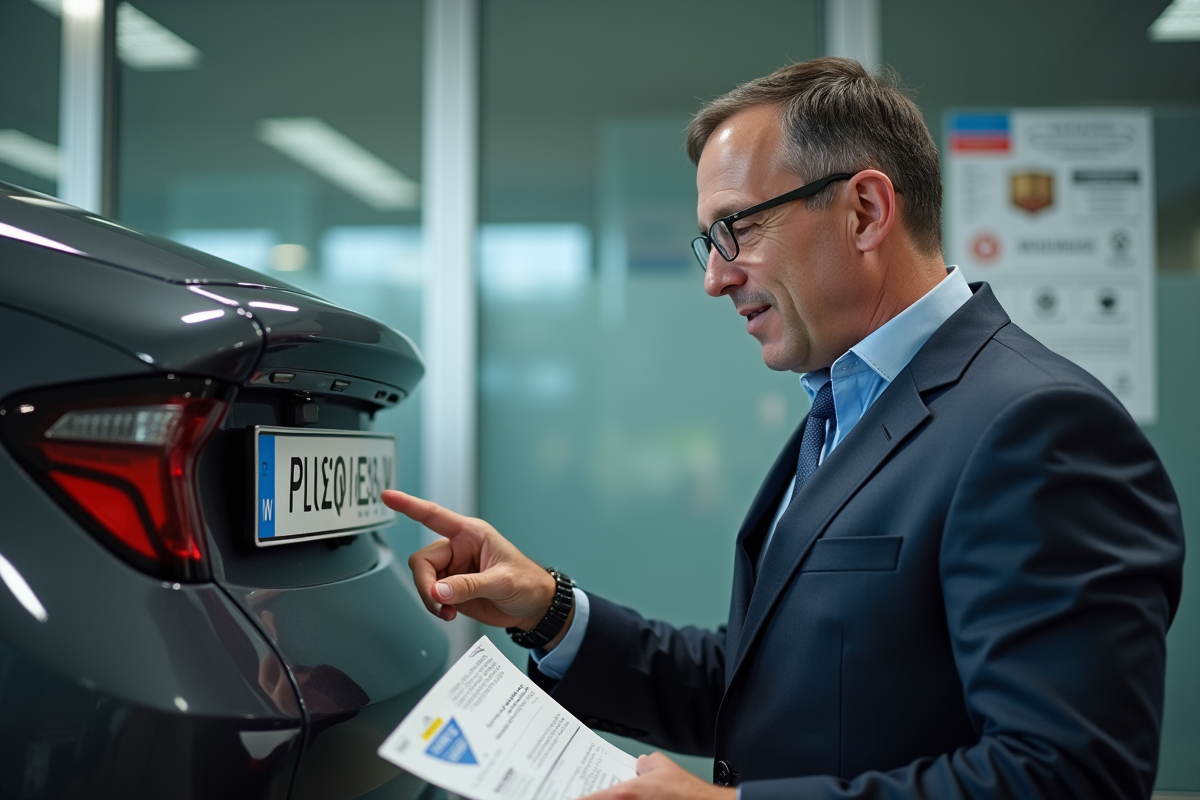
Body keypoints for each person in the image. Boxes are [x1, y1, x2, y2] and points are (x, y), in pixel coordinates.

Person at [382, 57, 1185, 800]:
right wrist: (550, 610)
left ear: (865, 211)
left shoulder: (1039, 428)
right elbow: (772, 681)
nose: (714, 277)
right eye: (711, 240)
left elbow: (1069, 776)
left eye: (738, 228)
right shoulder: (847, 402)